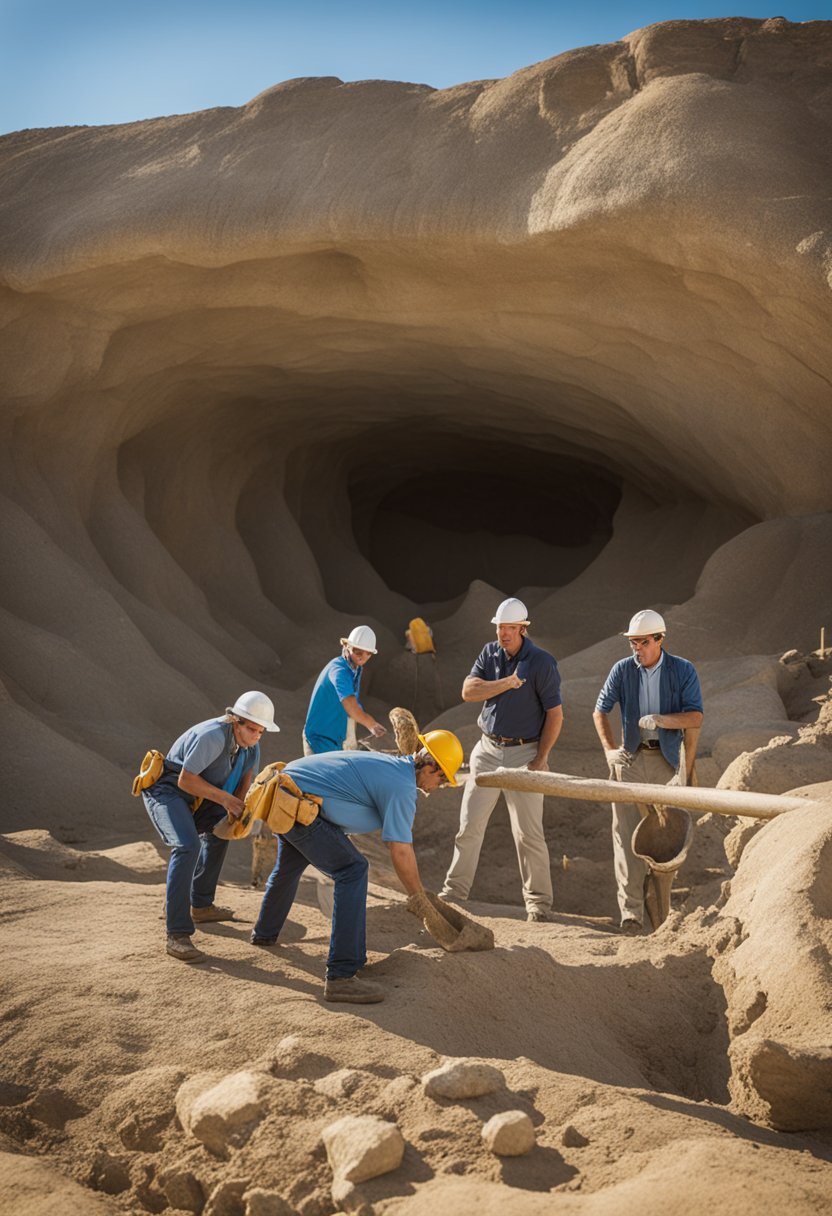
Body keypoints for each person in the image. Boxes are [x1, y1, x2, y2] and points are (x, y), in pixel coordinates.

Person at [250, 730, 464, 1004]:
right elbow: (399, 849)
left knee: (290, 865)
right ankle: (341, 975)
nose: (439, 787)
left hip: (286, 794)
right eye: (442, 779)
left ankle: (264, 935)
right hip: (297, 801)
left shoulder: (391, 769)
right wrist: (418, 897)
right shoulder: (402, 786)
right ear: (430, 765)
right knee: (352, 869)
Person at [440, 597, 564, 922]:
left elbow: (555, 714)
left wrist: (542, 758)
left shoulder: (541, 662)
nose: (504, 633)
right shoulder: (489, 652)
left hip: (525, 752)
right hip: (486, 750)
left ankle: (538, 904)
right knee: (469, 825)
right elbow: (468, 691)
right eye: (500, 627)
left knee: (528, 833)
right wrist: (505, 684)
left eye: (510, 628)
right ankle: (453, 894)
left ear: (522, 628)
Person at [142, 692, 280, 962]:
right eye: (251, 728)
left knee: (221, 833)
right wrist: (227, 800)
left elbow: (246, 779)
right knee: (187, 846)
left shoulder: (252, 745)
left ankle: (201, 904)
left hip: (203, 796)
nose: (256, 735)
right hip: (170, 791)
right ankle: (177, 934)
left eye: (261, 731)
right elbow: (185, 780)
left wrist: (236, 812)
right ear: (235, 721)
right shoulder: (213, 736)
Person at [592, 610, 704, 934]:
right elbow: (600, 711)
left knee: (668, 838)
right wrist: (609, 751)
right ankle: (631, 915)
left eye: (642, 642)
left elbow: (695, 717)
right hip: (630, 759)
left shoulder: (682, 670)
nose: (636, 649)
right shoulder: (622, 670)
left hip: (667, 760)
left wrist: (661, 719)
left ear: (659, 640)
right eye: (632, 643)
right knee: (624, 835)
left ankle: (663, 915)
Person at [303, 625, 387, 754]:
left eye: (368, 653)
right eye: (358, 652)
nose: (362, 657)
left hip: (336, 740)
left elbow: (355, 702)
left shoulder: (356, 669)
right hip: (318, 740)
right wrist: (371, 724)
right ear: (346, 646)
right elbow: (349, 703)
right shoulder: (339, 670)